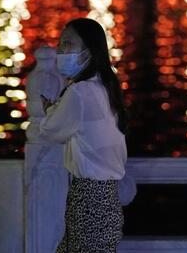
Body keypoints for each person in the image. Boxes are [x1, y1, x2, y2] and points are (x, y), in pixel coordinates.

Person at [38, 18, 129, 252]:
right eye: (60, 44)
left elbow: (50, 131)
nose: (60, 50)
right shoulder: (105, 86)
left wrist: (50, 110)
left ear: (89, 51)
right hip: (106, 200)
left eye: (67, 44)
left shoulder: (80, 92)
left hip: (89, 200)